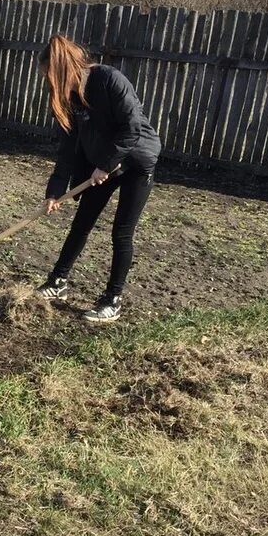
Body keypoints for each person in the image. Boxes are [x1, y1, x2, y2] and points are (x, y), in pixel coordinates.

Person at [38, 34, 161, 322]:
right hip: (100, 165)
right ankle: (58, 281)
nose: (48, 83)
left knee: (121, 231)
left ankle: (112, 300)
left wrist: (107, 164)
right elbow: (68, 148)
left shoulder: (108, 80)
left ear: (60, 69)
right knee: (82, 223)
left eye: (49, 76)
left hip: (136, 162)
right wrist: (54, 191)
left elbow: (131, 128)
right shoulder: (66, 98)